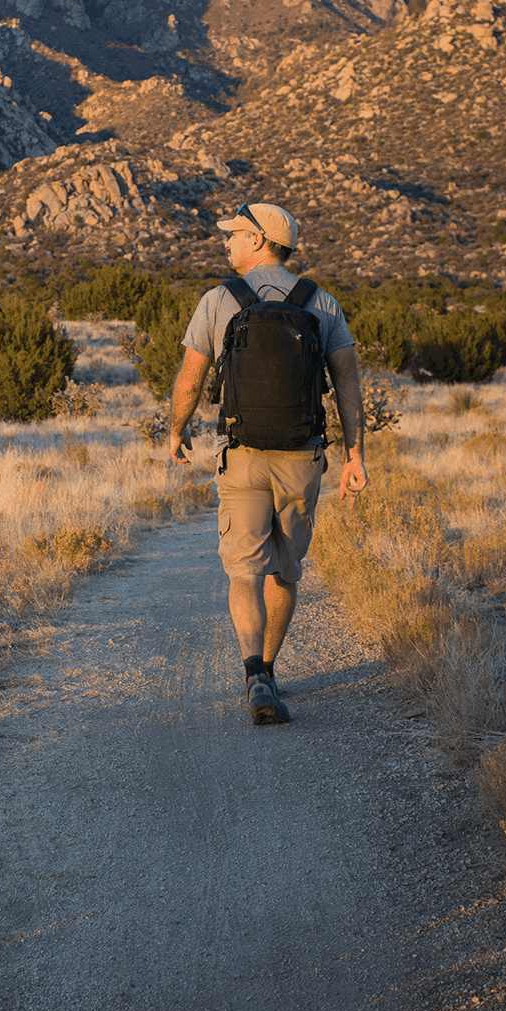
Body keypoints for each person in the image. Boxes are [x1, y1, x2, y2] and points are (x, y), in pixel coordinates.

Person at [164, 202, 367, 726]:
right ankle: (271, 669)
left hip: (243, 455)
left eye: (233, 235)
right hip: (302, 457)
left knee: (243, 570)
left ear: (257, 240)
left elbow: (191, 377)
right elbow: (346, 381)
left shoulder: (219, 300)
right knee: (285, 570)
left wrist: (175, 428)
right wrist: (355, 455)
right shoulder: (321, 302)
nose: (226, 243)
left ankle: (254, 672)